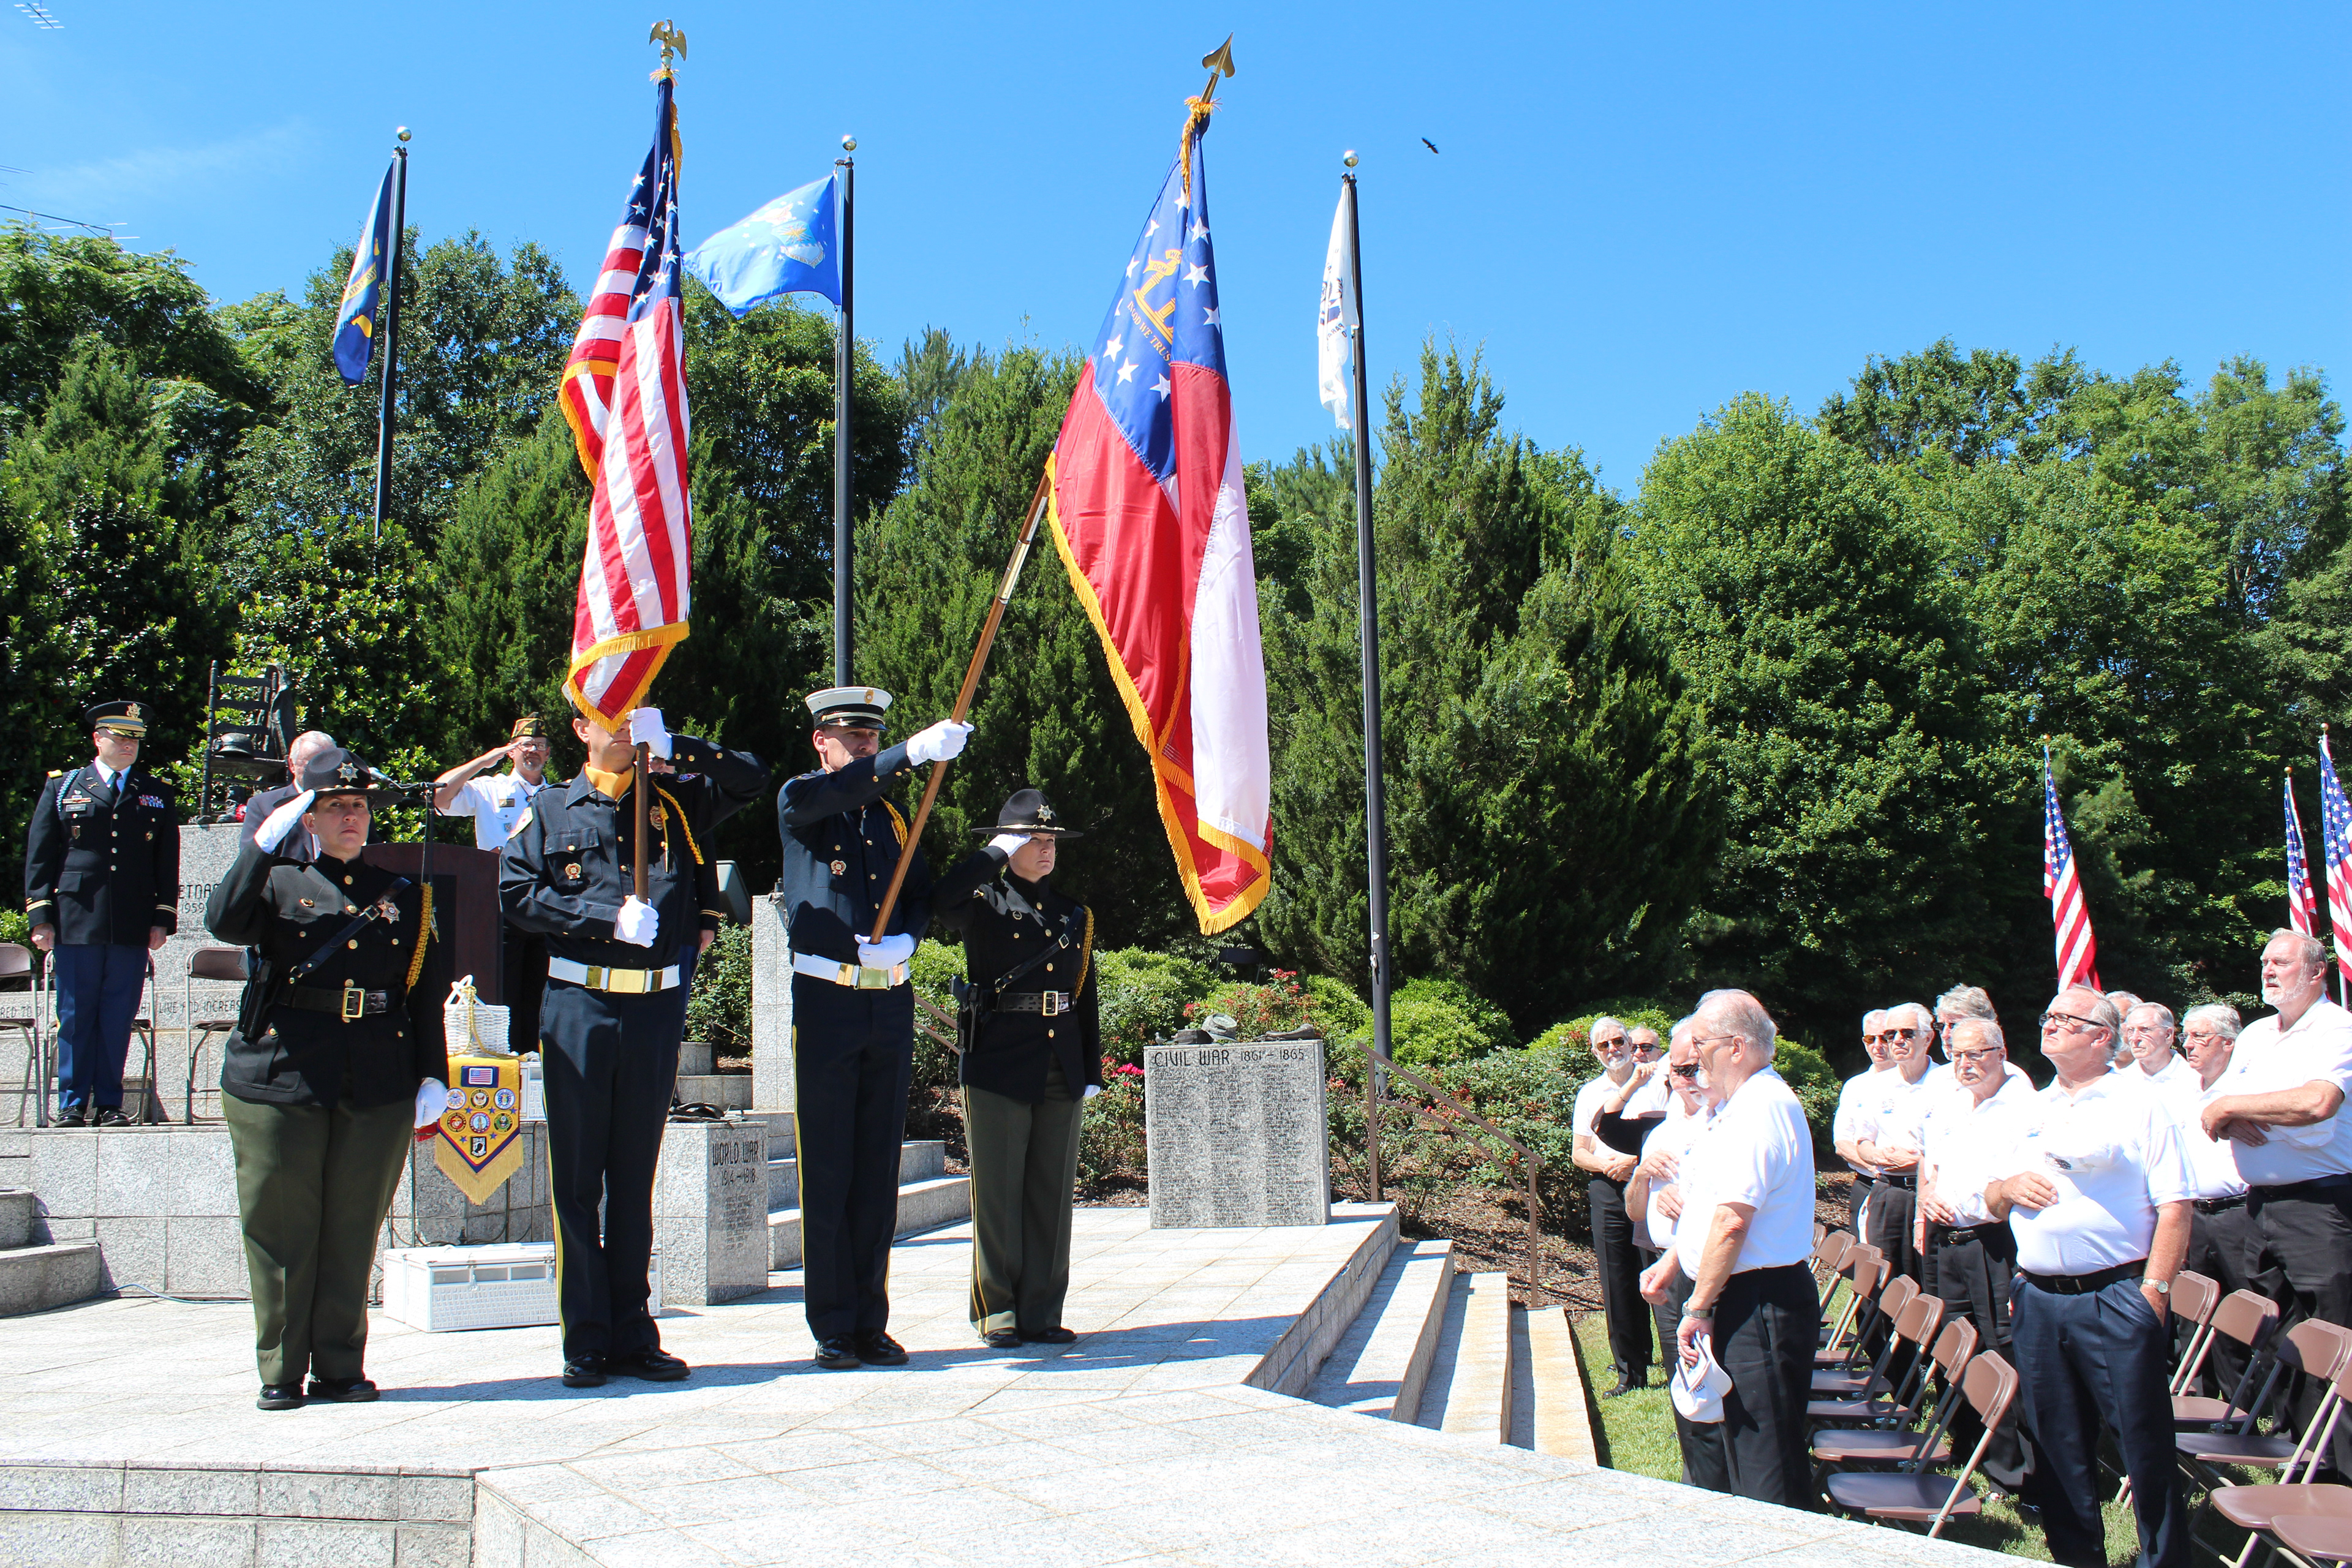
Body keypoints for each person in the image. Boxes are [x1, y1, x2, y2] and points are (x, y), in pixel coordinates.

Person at [500, 705, 769, 1389]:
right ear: (581, 732)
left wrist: (675, 741)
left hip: (650, 1008)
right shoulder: (553, 809)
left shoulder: (673, 805)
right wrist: (600, 915)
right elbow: (515, 895)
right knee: (578, 1183)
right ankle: (584, 1338)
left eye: (631, 717)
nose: (621, 727)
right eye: (605, 718)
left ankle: (633, 1331)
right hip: (579, 1004)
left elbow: (750, 779)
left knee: (634, 1178)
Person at [204, 747, 451, 1410]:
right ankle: (281, 1368)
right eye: (335, 806)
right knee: (282, 1229)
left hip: (376, 1075)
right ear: (307, 818)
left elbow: (423, 995)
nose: (351, 816)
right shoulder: (279, 882)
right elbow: (223, 921)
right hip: (283, 1072)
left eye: (360, 806)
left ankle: (341, 1363)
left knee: (352, 1228)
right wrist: (259, 845)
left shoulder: (405, 895)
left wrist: (434, 1074)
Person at [777, 685, 970, 1370]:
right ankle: (832, 1323)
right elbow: (835, 792)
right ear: (820, 742)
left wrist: (910, 939)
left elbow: (917, 893)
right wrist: (907, 753)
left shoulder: (892, 822)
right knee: (828, 1169)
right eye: (850, 734)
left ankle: (869, 1318)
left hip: (886, 1001)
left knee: (876, 1170)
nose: (863, 743)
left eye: (873, 734)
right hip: (827, 1003)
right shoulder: (803, 802)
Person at [1986, 986, 2192, 1568]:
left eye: (2063, 1020)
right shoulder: (2029, 1105)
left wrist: (2153, 1291)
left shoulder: (2138, 1103)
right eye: (2047, 1016)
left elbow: (2176, 1206)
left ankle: (2165, 1561)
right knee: (2056, 1444)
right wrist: (2007, 1190)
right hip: (2039, 1297)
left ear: (2102, 1037)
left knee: (2144, 1446)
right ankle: (2078, 1557)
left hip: (2115, 1294)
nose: (2047, 1026)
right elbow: (1991, 1194)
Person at [930, 790, 1101, 1349]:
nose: (1047, 850)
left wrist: (1092, 1067)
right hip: (999, 1057)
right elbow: (936, 900)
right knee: (1000, 1189)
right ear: (1009, 845)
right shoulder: (981, 900)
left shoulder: (1073, 913)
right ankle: (997, 1308)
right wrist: (993, 855)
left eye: (1052, 840)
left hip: (1060, 1059)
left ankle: (1041, 1309)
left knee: (1050, 1192)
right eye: (1034, 839)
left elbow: (1085, 996)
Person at [1643, 989, 1819, 1509]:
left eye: (1701, 1045)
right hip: (1745, 1293)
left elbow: (1731, 1222)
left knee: (1768, 1468)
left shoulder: (1759, 1109)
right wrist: (1677, 1260)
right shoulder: (1738, 1107)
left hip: (1761, 1299)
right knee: (1747, 1449)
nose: (1693, 1058)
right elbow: (1708, 1206)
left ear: (1737, 1047)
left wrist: (1698, 1307)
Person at [2201, 930, 2352, 1467]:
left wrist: (2239, 1108)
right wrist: (2235, 1108)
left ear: (2316, 973)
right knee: (2283, 1342)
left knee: (2334, 1339)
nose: (2267, 970)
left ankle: (2344, 1482)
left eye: (2281, 962)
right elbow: (2212, 1104)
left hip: (2320, 1209)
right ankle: (2304, 1454)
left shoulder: (2337, 1029)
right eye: (2264, 961)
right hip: (2260, 1206)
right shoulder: (2260, 1034)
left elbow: (2316, 1102)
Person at [23, 699, 179, 1126]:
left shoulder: (155, 792)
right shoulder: (64, 787)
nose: (129, 744)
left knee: (117, 1017)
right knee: (75, 1016)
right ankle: (72, 1103)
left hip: (131, 920)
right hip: (76, 918)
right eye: (120, 736)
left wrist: (162, 917)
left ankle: (111, 1102)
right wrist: (40, 918)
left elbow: (166, 862)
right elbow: (40, 859)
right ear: (98, 738)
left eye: (135, 738)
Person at [1916, 1016, 2038, 1490]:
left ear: (2000, 1051)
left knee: (2004, 1352)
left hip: (1995, 1244)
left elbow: (2016, 1185)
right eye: (1957, 1056)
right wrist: (1926, 1197)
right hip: (1949, 1243)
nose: (1964, 1065)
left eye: (1975, 1055)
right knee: (1959, 1348)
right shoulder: (1953, 1103)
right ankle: (1972, 1449)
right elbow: (1932, 1165)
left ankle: (2025, 1473)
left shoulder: (2022, 1105)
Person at [1627, 1018, 1728, 1491]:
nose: (1691, 1080)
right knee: (1681, 1375)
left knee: (1718, 1374)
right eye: (1682, 1072)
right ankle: (1699, 1472)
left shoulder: (1723, 1122)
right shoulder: (1660, 1134)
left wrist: (1690, 1207)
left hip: (1711, 1267)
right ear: (1668, 1077)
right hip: (1667, 1265)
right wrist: (1643, 1178)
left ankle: (1725, 1475)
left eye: (1697, 1069)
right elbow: (1634, 1210)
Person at [435, 715, 560, 1052]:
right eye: (525, 746)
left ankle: (535, 1069)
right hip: (500, 904)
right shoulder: (490, 789)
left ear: (548, 754)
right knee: (502, 991)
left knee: (542, 994)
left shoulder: (559, 796)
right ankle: (502, 1064)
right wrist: (484, 761)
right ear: (511, 752)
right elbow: (440, 798)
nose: (533, 752)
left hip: (547, 904)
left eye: (540, 746)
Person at [1573, 1016, 1661, 1395]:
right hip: (1607, 1191)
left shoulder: (1658, 1084)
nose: (1614, 1050)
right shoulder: (1589, 1093)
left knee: (1659, 1274)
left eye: (1619, 1042)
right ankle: (1631, 1370)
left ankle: (1677, 1360)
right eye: (1604, 1045)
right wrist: (1608, 1166)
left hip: (1654, 1188)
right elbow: (1580, 1153)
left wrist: (1636, 1164)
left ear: (1631, 1043)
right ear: (1595, 1053)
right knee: (1617, 1278)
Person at [2176, 1003, 2252, 1400]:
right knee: (2205, 1315)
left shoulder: (2249, 1086)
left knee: (2249, 1313)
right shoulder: (2184, 1087)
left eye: (2198, 1037)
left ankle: (2261, 1408)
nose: (2188, 1045)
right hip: (2196, 1216)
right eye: (2186, 1036)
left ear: (2228, 1043)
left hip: (2239, 1214)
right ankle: (2220, 1407)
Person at [1854, 1003, 1938, 1298]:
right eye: (1891, 1034)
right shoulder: (1877, 1086)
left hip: (1928, 1196)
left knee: (1929, 1284)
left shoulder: (1947, 1084)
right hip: (1888, 1193)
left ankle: (1929, 1346)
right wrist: (1877, 1156)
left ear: (1928, 1038)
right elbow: (1862, 1142)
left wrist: (1917, 1161)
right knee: (1884, 1285)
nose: (1897, 1041)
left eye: (1907, 1033)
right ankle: (1883, 1346)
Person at [1833, 1009, 1894, 1233]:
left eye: (1884, 1037)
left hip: (1905, 1191)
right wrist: (1873, 1167)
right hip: (1866, 1184)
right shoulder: (1855, 1086)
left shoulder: (1924, 1083)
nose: (1877, 1045)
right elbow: (1842, 1142)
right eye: (1871, 1039)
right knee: (1864, 1261)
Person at [240, 731, 339, 863]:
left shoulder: (353, 804)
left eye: (328, 762)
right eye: (311, 763)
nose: (320, 770)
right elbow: (250, 861)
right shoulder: (263, 806)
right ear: (292, 765)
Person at [2123, 1003, 2198, 1110]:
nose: (2135, 1038)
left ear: (2168, 1034)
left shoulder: (2196, 1080)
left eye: (2145, 1030)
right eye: (2131, 1030)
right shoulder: (2120, 1080)